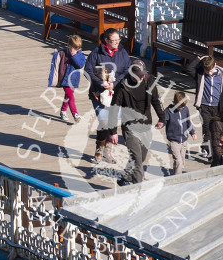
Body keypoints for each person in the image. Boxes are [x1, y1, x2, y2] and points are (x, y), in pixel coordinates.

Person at [112, 59, 164, 185]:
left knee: (141, 157)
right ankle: (138, 188)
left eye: (143, 74)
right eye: (139, 75)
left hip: (145, 125)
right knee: (137, 160)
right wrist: (113, 131)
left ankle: (126, 177)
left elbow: (156, 101)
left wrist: (162, 118)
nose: (142, 77)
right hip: (130, 127)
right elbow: (113, 109)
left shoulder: (149, 80)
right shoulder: (122, 86)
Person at [84, 28, 131, 163]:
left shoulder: (122, 52)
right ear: (106, 40)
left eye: (118, 40)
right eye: (113, 40)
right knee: (104, 121)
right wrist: (101, 82)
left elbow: (127, 70)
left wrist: (115, 83)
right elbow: (87, 71)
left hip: (116, 93)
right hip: (99, 93)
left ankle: (108, 153)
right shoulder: (97, 52)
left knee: (112, 122)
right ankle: (99, 152)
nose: (116, 42)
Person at [187, 55, 223, 163]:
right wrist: (198, 58)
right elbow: (189, 69)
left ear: (215, 65)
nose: (209, 73)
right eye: (207, 71)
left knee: (221, 130)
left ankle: (222, 152)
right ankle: (211, 155)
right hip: (205, 106)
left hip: (218, 108)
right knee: (208, 131)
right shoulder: (200, 73)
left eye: (210, 71)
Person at [157, 91, 197, 175]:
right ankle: (177, 178)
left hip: (184, 140)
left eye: (183, 106)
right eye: (180, 106)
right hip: (174, 141)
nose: (181, 108)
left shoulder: (185, 109)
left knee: (181, 161)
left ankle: (174, 174)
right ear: (175, 102)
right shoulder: (168, 111)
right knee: (178, 161)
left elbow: (188, 121)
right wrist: (161, 124)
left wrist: (192, 132)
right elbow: (164, 120)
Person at [48, 34, 86, 122]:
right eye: (72, 48)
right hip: (64, 79)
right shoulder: (63, 53)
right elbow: (56, 64)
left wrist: (74, 55)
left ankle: (63, 111)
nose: (74, 50)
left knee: (68, 96)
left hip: (74, 80)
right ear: (68, 45)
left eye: (76, 48)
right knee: (71, 96)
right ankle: (75, 114)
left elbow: (80, 65)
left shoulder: (80, 55)